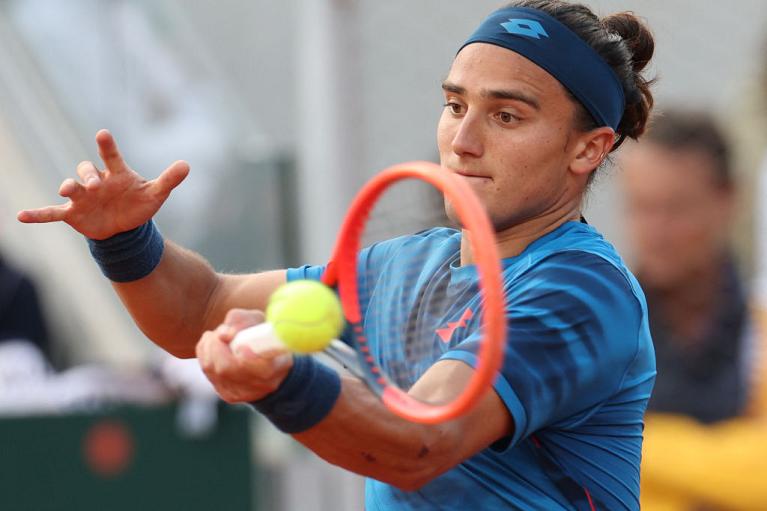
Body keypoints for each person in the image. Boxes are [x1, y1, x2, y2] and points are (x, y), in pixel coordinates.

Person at [17, 1, 657, 509]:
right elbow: (199, 309)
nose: (462, 140)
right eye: (455, 105)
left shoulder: (581, 290)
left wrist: (282, 380)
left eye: (507, 116)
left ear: (587, 149)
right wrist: (126, 241)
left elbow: (420, 442)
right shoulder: (400, 266)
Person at [619, 110, 767, 509]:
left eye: (676, 209)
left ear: (728, 199)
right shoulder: (601, 327)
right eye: (642, 208)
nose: (656, 231)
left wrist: (629, 440)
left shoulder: (759, 331)